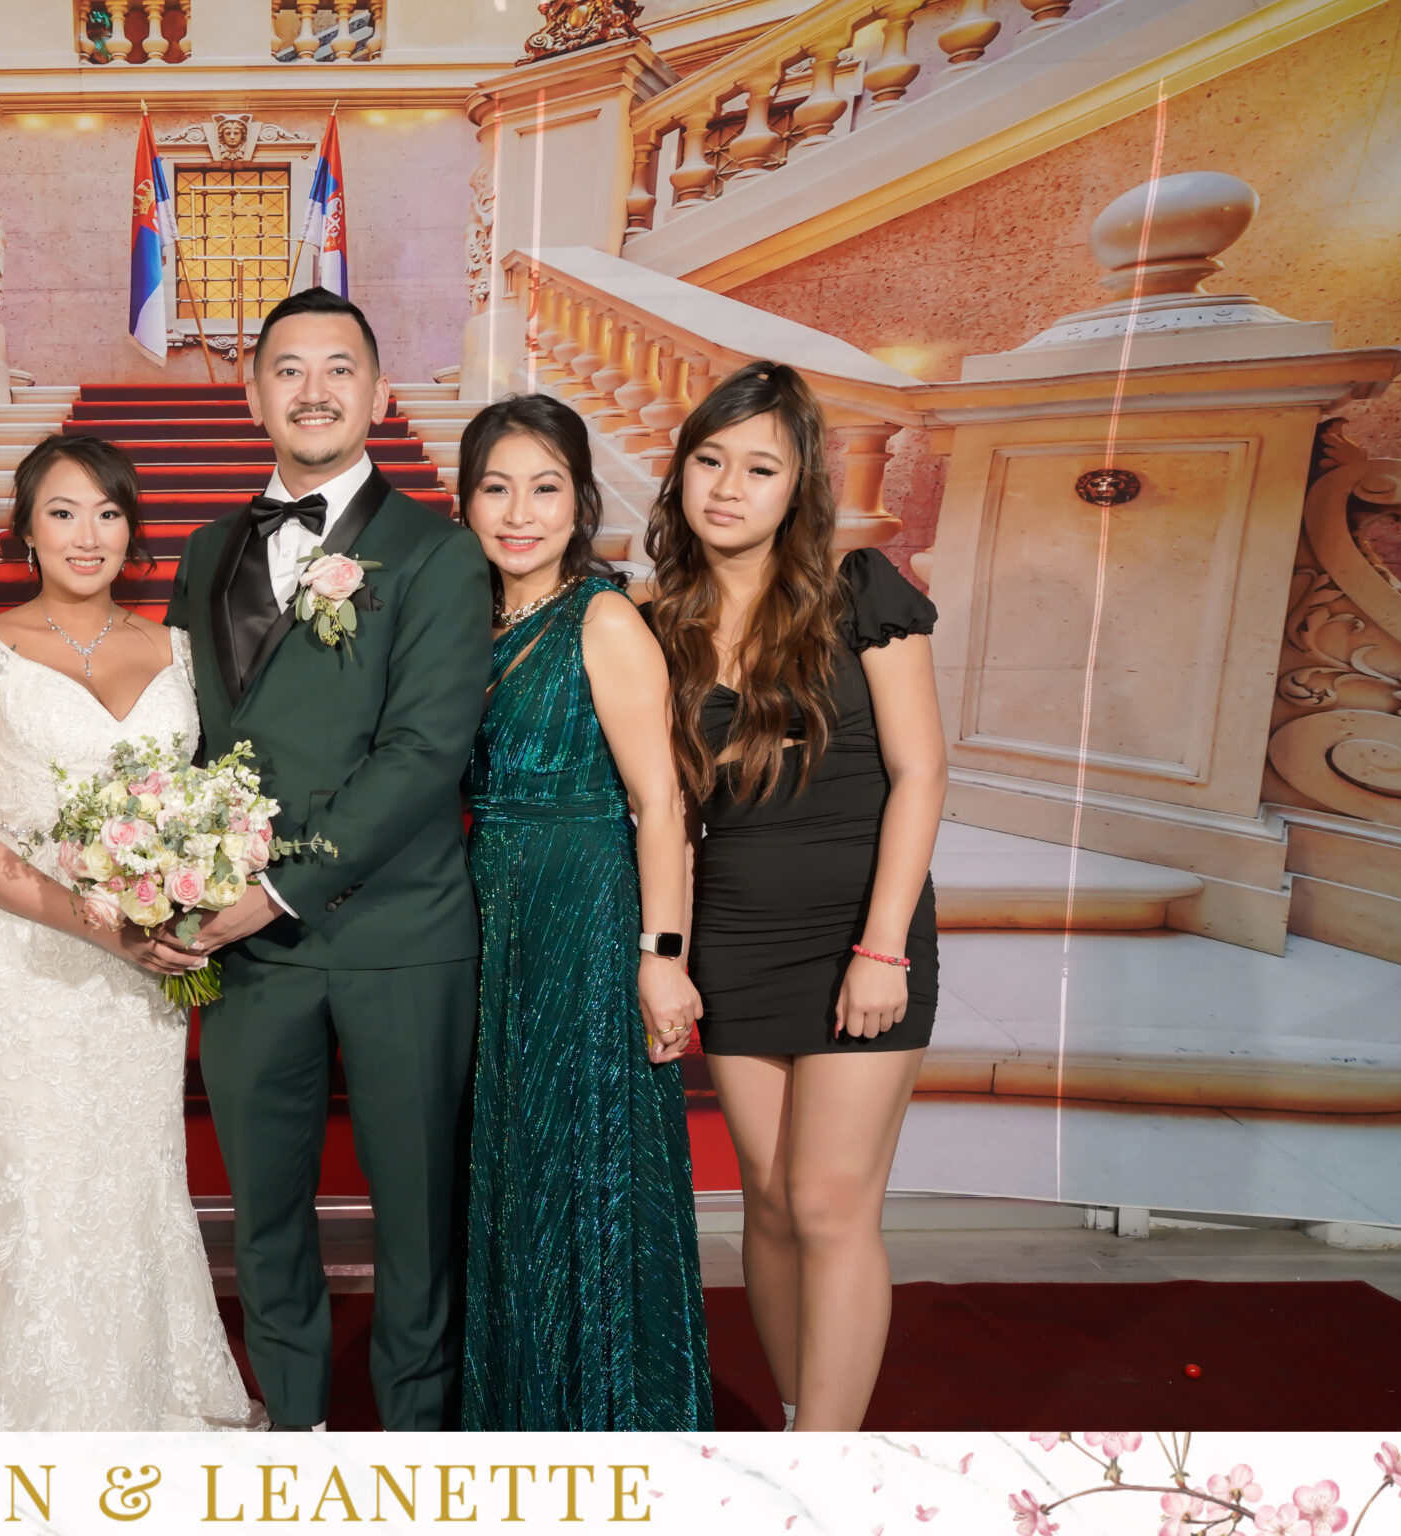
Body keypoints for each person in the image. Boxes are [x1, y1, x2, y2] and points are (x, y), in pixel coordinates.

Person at [159, 288, 489, 1432]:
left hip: (398, 936)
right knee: (263, 1212)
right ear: (253, 395)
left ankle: (413, 1441)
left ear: (379, 394)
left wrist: (274, 891)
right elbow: (185, 735)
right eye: (287, 369)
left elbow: (424, 753)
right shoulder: (208, 549)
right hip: (247, 953)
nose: (313, 390)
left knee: (417, 1216)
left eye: (338, 368)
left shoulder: (437, 553)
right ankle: (291, 1424)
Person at [0, 433, 258, 1431]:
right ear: (26, 530)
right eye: (62, 512)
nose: (86, 534)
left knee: (131, 1171)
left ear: (132, 530)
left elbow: (209, 800)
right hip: (24, 964)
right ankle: (36, 1410)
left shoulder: (179, 650)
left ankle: (146, 1392)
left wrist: (190, 895)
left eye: (107, 513)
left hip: (142, 971)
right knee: (35, 1173)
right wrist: (98, 926)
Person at [640, 358, 945, 1433]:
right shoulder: (654, 623)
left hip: (859, 935)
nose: (728, 487)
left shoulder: (862, 591)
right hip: (733, 939)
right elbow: (664, 811)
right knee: (767, 1205)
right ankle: (791, 1422)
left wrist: (883, 947)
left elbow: (920, 773)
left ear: (799, 483)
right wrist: (669, 953)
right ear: (680, 473)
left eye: (759, 467)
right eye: (710, 460)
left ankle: (825, 1468)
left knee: (826, 1201)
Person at [454, 393, 714, 1431]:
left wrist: (662, 955)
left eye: (545, 488)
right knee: (515, 1165)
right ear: (466, 501)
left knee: (585, 1161)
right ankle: (519, 1410)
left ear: (581, 501)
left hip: (588, 909)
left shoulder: (603, 619)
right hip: (492, 912)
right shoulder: (470, 619)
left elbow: (662, 802)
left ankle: (606, 1420)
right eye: (496, 488)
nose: (520, 513)